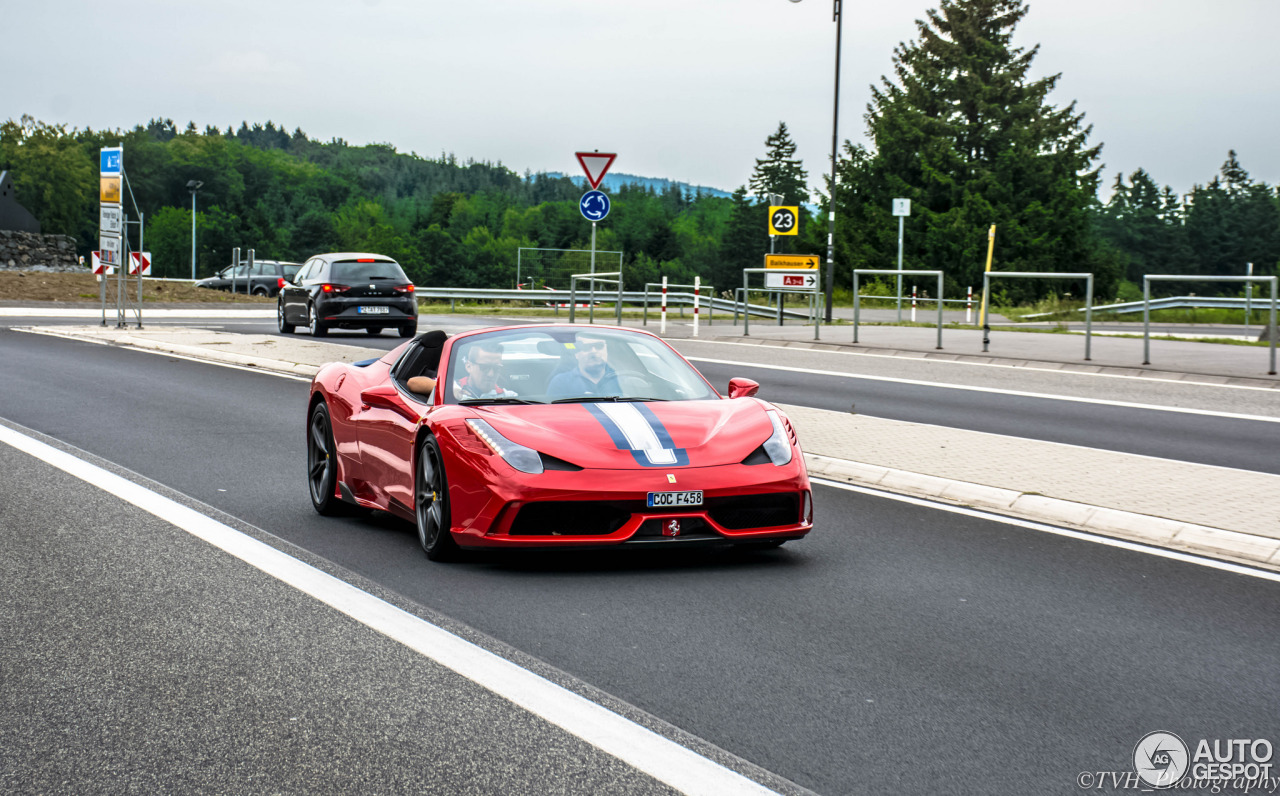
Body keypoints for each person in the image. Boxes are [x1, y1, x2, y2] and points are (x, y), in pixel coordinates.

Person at [546, 332, 622, 398]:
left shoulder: (622, 379)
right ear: (576, 354)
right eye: (586, 347)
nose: (593, 351)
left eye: (599, 346)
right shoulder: (561, 382)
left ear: (606, 350)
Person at [452, 339, 518, 400]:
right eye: (484, 367)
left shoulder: (508, 397)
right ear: (469, 366)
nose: (491, 374)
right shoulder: (451, 389)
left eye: (496, 368)